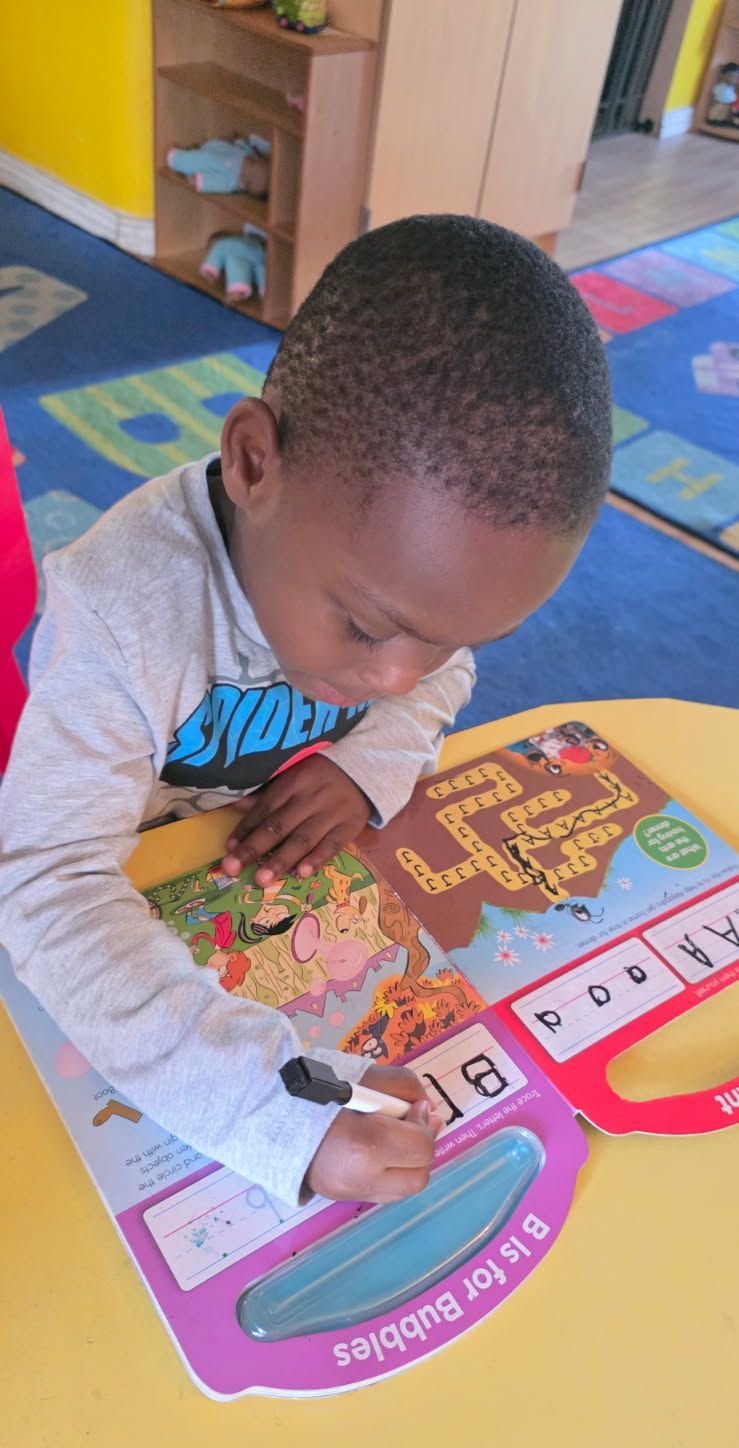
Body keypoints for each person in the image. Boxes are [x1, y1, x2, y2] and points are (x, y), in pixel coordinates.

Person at [0, 216, 611, 1208]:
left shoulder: (404, 607)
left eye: (448, 639)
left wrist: (368, 763)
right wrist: (279, 1107)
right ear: (253, 462)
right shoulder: (120, 611)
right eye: (365, 626)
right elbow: (46, 885)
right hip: (117, 896)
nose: (397, 677)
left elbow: (435, 677)